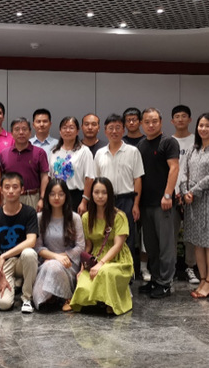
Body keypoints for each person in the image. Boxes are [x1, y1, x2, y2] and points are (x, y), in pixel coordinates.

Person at [179, 113, 209, 299]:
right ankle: (203, 279)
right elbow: (184, 173)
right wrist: (185, 191)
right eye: (201, 125)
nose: (203, 129)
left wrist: (193, 191)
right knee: (197, 242)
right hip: (192, 202)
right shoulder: (193, 149)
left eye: (207, 126)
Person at [70, 177, 133, 315]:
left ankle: (114, 300)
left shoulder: (119, 216)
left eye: (104, 192)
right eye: (96, 192)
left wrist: (101, 264)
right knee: (84, 286)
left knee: (105, 272)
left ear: (110, 194)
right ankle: (101, 300)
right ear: (91, 194)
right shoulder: (86, 217)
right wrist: (82, 268)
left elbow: (118, 245)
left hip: (117, 259)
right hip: (95, 258)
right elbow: (88, 247)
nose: (100, 196)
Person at [94, 113, 144, 282]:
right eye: (110, 128)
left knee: (127, 238)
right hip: (104, 201)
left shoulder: (132, 151)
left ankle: (127, 277)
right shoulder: (100, 153)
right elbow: (97, 180)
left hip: (126, 200)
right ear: (105, 131)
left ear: (123, 130)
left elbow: (138, 179)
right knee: (106, 237)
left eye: (117, 128)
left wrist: (136, 204)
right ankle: (107, 272)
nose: (114, 131)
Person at [136, 108, 180, 299]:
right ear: (142, 124)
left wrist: (168, 195)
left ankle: (165, 282)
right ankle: (155, 279)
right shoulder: (141, 145)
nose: (151, 125)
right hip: (146, 203)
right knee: (151, 245)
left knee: (166, 246)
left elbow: (174, 168)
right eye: (147, 122)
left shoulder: (168, 142)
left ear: (161, 122)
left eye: (154, 121)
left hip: (164, 203)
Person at [33, 179, 85, 311]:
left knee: (54, 266)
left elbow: (80, 247)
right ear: (47, 196)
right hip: (46, 262)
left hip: (69, 263)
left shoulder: (75, 218)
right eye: (52, 194)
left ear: (66, 196)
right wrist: (55, 257)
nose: (56, 198)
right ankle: (55, 297)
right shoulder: (40, 218)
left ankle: (63, 296)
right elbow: (38, 247)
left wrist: (61, 257)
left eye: (61, 194)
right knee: (51, 267)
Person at [0, 172, 39, 313]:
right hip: (5, 264)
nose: (11, 191)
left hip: (22, 261)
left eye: (15, 187)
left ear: (22, 190)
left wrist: (5, 255)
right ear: (1, 190)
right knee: (3, 304)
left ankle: (27, 298)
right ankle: (10, 284)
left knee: (29, 253)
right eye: (7, 187)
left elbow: (31, 241)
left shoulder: (29, 212)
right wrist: (0, 272)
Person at [171, 105, 200, 285]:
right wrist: (173, 192)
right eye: (177, 116)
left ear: (190, 119)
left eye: (184, 116)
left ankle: (191, 267)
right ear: (172, 121)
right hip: (173, 194)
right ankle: (172, 268)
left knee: (191, 235)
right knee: (171, 234)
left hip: (192, 194)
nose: (180, 119)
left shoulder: (197, 140)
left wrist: (191, 191)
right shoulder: (168, 141)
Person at [0, 117, 49, 210]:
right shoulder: (4, 154)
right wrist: (1, 198)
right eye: (17, 129)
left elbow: (44, 177)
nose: (21, 132)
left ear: (30, 132)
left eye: (24, 129)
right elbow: (0, 178)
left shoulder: (39, 153)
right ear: (12, 133)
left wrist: (42, 199)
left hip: (32, 197)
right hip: (9, 198)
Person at [48, 116, 95, 213]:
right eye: (64, 128)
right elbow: (49, 176)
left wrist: (84, 201)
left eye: (71, 127)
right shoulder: (53, 152)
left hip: (76, 196)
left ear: (77, 131)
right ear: (60, 131)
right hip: (56, 195)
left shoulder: (84, 151)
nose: (68, 130)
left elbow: (89, 178)